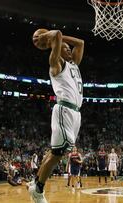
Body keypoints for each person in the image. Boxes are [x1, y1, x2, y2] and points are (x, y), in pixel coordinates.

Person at [27, 28, 84, 203]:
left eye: (68, 48)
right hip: (64, 110)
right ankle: (38, 190)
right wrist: (47, 37)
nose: (68, 49)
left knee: (57, 151)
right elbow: (58, 34)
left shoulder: (73, 65)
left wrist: (58, 39)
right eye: (65, 48)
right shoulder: (56, 63)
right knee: (58, 154)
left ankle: (35, 182)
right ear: (58, 50)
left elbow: (80, 43)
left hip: (75, 113)